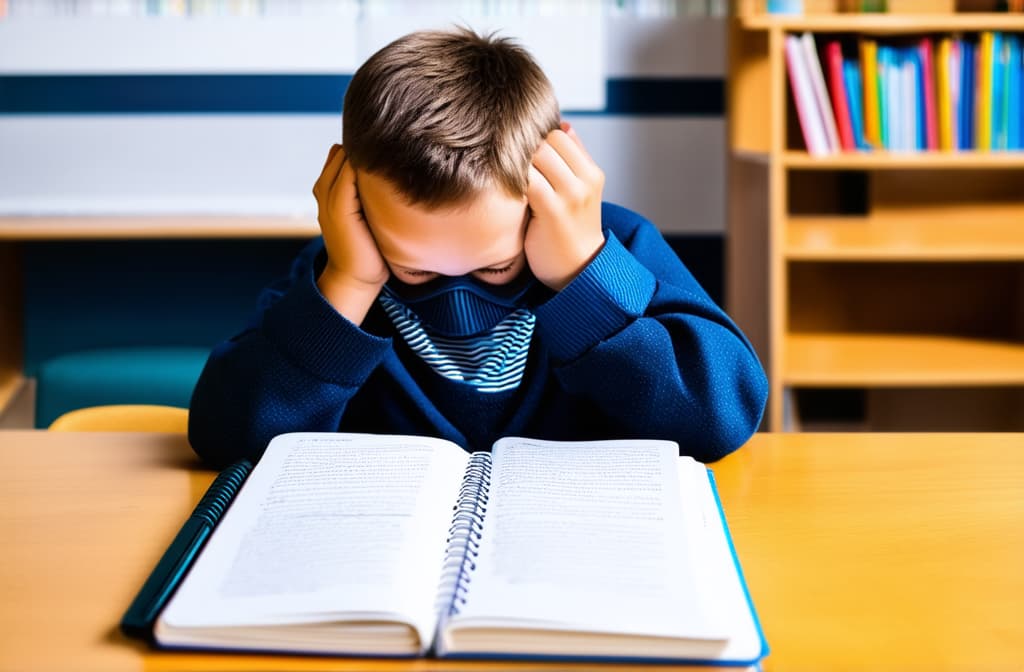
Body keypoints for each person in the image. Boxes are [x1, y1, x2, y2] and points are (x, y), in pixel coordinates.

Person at [188, 27, 767, 467]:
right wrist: (349, 285)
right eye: (413, 271)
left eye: (496, 268)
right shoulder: (343, 265)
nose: (457, 299)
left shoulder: (614, 247)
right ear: (353, 200)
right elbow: (224, 439)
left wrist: (586, 276)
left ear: (556, 176)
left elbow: (724, 415)